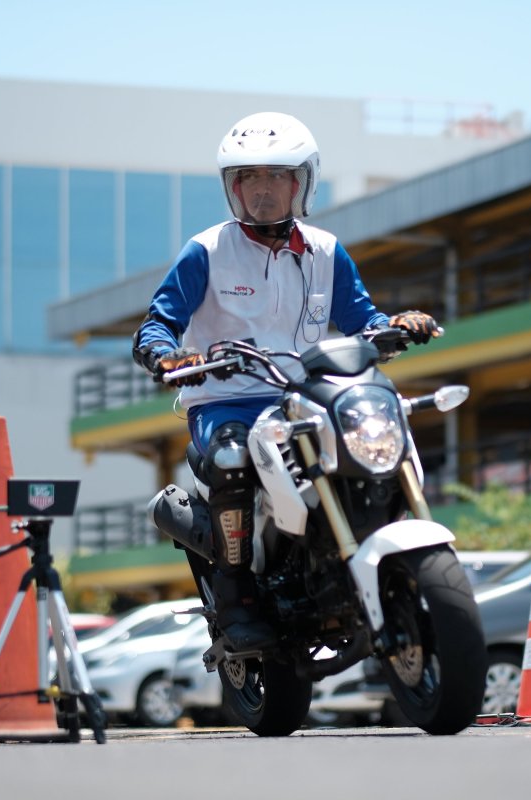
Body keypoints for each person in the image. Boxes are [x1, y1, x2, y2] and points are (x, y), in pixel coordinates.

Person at [132, 111, 438, 650]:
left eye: (276, 176)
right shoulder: (206, 249)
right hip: (226, 398)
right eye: (247, 178)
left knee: (370, 440)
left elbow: (362, 320)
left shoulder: (326, 250)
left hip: (306, 395)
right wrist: (165, 355)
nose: (262, 191)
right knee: (231, 461)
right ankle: (237, 601)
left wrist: (392, 327)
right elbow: (158, 323)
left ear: (302, 183)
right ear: (232, 187)